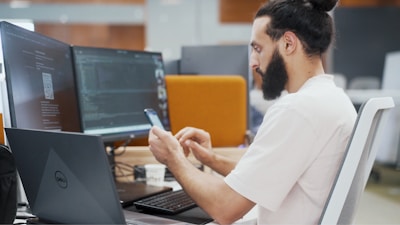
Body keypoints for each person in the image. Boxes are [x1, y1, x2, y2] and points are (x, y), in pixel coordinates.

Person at [148, 0, 357, 224]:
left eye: (258, 48)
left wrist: (173, 159)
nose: (252, 62)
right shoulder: (333, 99)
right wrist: (211, 159)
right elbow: (263, 177)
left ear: (288, 43)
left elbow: (224, 207)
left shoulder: (298, 110)